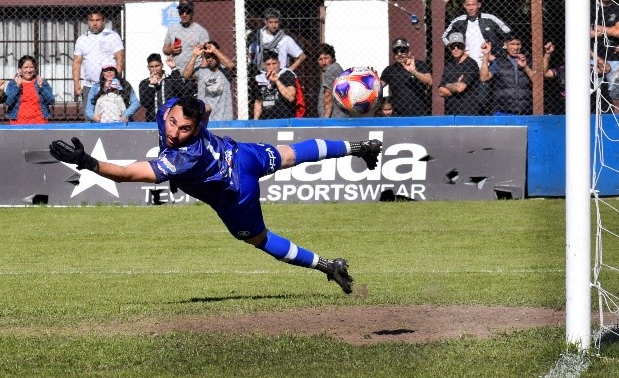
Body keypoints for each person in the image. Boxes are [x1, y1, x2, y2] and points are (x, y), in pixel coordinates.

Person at [48, 97, 383, 294]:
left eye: (185, 130)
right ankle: (360, 148)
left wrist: (86, 161)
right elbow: (203, 106)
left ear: (195, 130)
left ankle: (329, 266)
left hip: (236, 191)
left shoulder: (182, 156)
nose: (175, 133)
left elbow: (127, 175)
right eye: (174, 124)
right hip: (240, 154)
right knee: (290, 153)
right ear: (170, 112)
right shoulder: (173, 110)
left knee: (259, 239)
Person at [72, 10, 125, 113]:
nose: (95, 23)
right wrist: (76, 84)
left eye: (98, 20)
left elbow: (120, 59)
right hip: (89, 85)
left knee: (109, 114)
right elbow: (76, 63)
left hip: (108, 84)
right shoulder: (82, 39)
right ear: (88, 22)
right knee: (89, 117)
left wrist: (115, 81)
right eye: (92, 20)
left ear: (103, 21)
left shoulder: (112, 36)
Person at [442, 0, 512, 65]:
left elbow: (508, 33)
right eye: (468, 5)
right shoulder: (458, 21)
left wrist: (499, 52)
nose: (471, 8)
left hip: (489, 62)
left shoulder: (490, 19)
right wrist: (457, 50)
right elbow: (444, 37)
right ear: (464, 6)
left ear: (479, 5)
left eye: (473, 5)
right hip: (466, 63)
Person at [479, 35, 536, 115]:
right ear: (506, 45)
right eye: (512, 44)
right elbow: (484, 78)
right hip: (502, 111)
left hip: (526, 111)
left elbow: (537, 82)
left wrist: (525, 67)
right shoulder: (499, 61)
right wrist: (486, 55)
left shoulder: (529, 60)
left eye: (518, 44)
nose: (516, 47)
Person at [183, 41, 235, 121]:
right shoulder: (201, 72)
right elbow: (186, 75)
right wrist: (195, 55)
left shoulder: (225, 72)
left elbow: (231, 66)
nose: (210, 59)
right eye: (207, 57)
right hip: (205, 118)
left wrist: (214, 51)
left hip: (225, 118)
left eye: (213, 56)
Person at [379, 38, 432, 116]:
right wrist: (371, 79)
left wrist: (414, 72)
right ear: (393, 54)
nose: (399, 54)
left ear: (408, 52)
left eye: (402, 51)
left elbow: (430, 81)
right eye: (396, 51)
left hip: (420, 112)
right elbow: (379, 86)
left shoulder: (420, 65)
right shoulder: (389, 70)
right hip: (398, 114)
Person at [250, 8, 306, 73]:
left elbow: (302, 56)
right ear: (265, 22)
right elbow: (251, 52)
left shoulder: (285, 39)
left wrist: (288, 70)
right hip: (261, 74)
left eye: (276, 22)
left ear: (280, 22)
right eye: (271, 22)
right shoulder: (259, 36)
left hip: (279, 75)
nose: (274, 25)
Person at [439, 32, 482, 115]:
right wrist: (455, 85)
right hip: (451, 112)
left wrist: (446, 85)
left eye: (459, 45)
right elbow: (441, 91)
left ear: (464, 47)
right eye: (452, 46)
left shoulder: (471, 64)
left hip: (469, 112)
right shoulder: (448, 65)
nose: (456, 49)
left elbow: (460, 88)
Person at [139, 53, 190, 122]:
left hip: (171, 118)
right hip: (153, 119)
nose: (154, 69)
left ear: (162, 65)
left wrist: (174, 68)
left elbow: (181, 90)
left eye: (157, 66)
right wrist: (151, 86)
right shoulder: (144, 83)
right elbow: (145, 103)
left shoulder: (170, 79)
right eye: (151, 67)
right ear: (148, 68)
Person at [4, 56, 55, 124]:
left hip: (40, 122)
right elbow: (8, 102)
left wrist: (41, 87)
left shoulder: (41, 82)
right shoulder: (13, 83)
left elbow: (51, 100)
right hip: (18, 123)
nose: (29, 70)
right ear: (20, 69)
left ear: (35, 69)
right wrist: (17, 86)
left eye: (31, 67)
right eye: (25, 67)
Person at [252, 51, 298, 120]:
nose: (271, 67)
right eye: (268, 64)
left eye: (274, 63)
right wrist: (255, 121)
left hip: (285, 119)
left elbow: (291, 97)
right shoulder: (260, 79)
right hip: (266, 120)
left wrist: (276, 80)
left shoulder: (286, 74)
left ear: (279, 63)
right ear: (264, 65)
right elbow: (258, 102)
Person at [316, 43, 349, 119]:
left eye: (326, 58)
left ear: (333, 58)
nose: (323, 62)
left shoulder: (332, 69)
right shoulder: (334, 69)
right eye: (320, 59)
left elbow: (328, 95)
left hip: (334, 120)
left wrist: (325, 120)